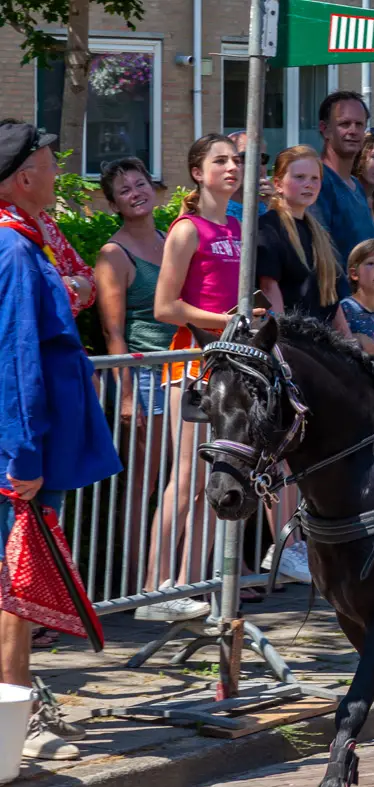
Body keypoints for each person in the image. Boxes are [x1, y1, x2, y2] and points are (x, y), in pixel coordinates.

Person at [0, 121, 121, 762]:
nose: (57, 173)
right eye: (50, 164)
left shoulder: (22, 241)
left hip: (25, 445)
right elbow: (18, 358)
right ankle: (12, 719)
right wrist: (22, 456)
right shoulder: (15, 249)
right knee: (16, 587)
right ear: (24, 178)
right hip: (20, 453)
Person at [150, 133, 256, 612]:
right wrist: (230, 320)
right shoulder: (187, 229)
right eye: (221, 161)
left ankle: (189, 586)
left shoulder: (237, 225)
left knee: (216, 478)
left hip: (230, 367)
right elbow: (165, 306)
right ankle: (155, 586)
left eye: (236, 159)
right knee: (187, 478)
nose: (232, 167)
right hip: (192, 363)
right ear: (198, 172)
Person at [93, 157, 175, 577]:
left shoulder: (169, 238)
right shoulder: (114, 253)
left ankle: (176, 573)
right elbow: (114, 333)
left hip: (183, 373)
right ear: (114, 203)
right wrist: (126, 396)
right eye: (124, 190)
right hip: (146, 376)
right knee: (145, 480)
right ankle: (135, 577)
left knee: (183, 479)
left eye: (139, 183)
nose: (135, 193)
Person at [257, 145, 349, 325]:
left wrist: (349, 343)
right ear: (278, 184)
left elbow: (331, 299)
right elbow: (269, 288)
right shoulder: (268, 227)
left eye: (315, 178)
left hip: (319, 342)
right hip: (291, 342)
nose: (309, 184)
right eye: (299, 177)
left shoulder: (319, 233)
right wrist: (281, 340)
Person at [311, 91, 374, 267]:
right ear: (325, 129)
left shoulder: (356, 186)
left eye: (359, 124)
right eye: (344, 124)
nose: (353, 131)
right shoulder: (317, 181)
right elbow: (323, 254)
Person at [224, 131, 272, 222]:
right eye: (245, 157)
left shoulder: (269, 204)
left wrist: (272, 205)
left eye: (262, 158)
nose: (256, 165)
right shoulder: (215, 208)